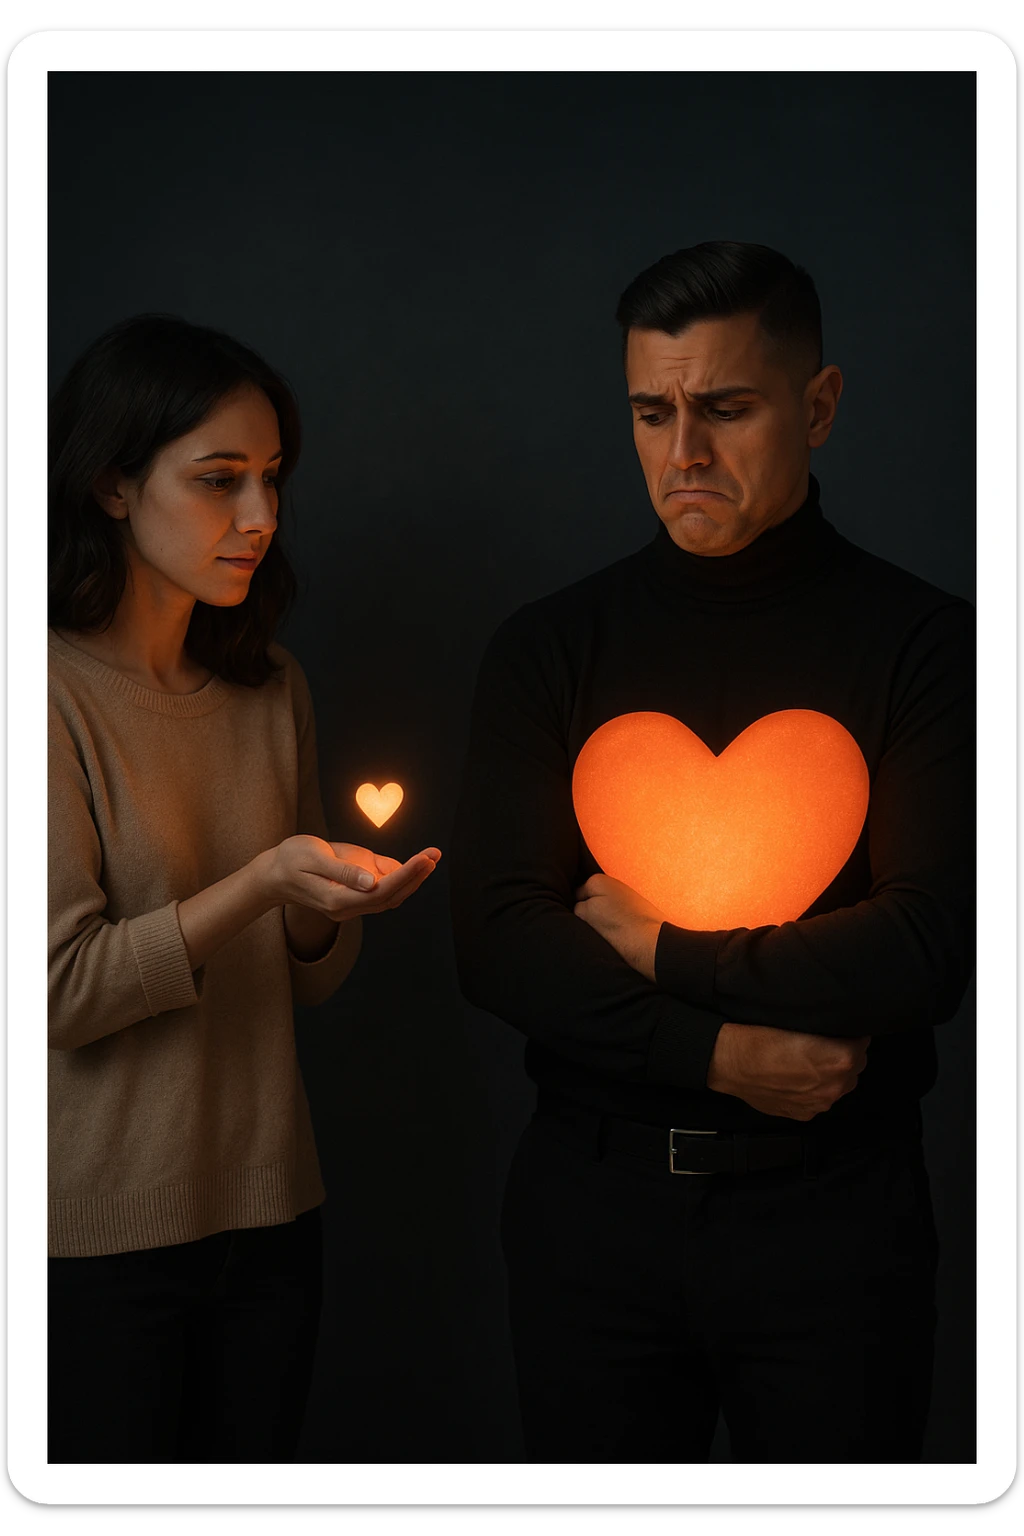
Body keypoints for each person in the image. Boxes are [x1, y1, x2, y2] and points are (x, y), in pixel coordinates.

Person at [449, 241, 974, 1463]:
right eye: (651, 410)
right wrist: (722, 1052)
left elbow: (925, 947)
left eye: (725, 407)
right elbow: (499, 944)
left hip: (836, 1217)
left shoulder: (929, 647)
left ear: (819, 406)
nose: (682, 450)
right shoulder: (548, 649)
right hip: (591, 1215)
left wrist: (661, 947)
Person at [47, 314, 441, 1464]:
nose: (260, 518)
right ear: (114, 487)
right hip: (92, 1242)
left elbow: (307, 987)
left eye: (271, 480)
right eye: (220, 480)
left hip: (273, 1218)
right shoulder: (47, 695)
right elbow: (60, 993)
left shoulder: (270, 688)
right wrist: (264, 879)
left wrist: (324, 911)